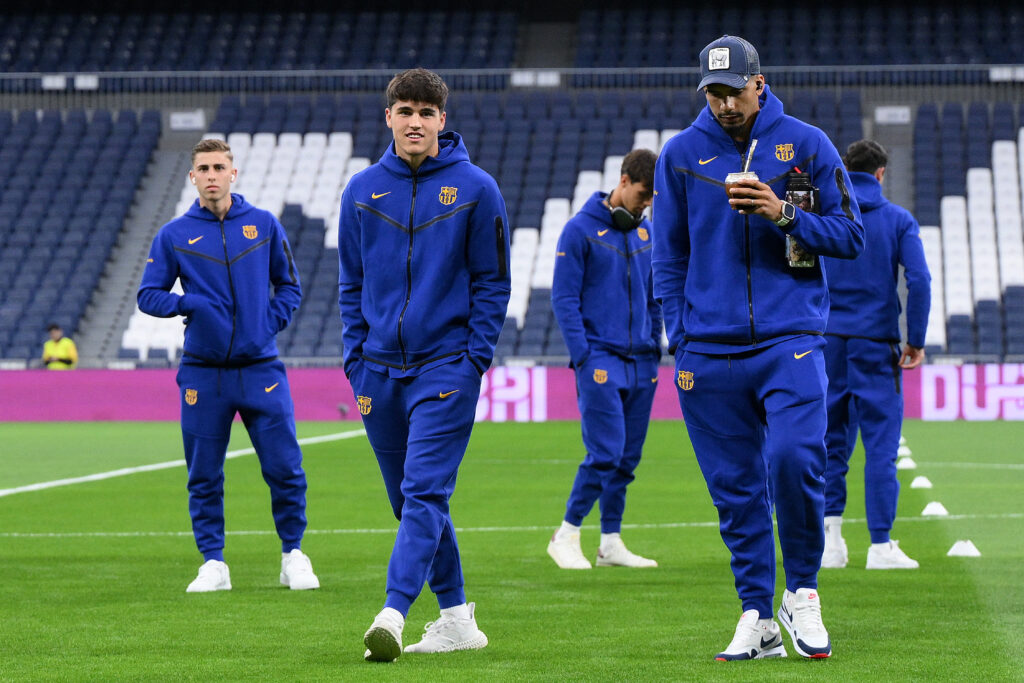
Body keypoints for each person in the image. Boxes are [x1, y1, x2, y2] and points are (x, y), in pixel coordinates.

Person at [652, 35, 865, 660]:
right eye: (712, 94)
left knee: (798, 458)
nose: (722, 105)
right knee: (735, 489)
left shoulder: (805, 145)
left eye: (732, 91)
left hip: (790, 337)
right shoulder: (681, 155)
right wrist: (681, 338)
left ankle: (802, 594)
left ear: (760, 82)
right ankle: (756, 615)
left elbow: (851, 236)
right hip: (706, 351)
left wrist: (784, 213)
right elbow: (669, 256)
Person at [337, 68, 510, 662]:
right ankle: (458, 617)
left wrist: (473, 362)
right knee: (408, 501)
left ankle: (392, 611)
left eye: (426, 112)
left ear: (442, 119)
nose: (415, 122)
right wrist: (355, 362)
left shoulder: (477, 188)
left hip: (445, 369)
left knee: (424, 492)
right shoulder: (360, 191)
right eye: (405, 111)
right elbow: (350, 284)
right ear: (388, 117)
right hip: (377, 373)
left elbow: (493, 282)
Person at [137, 138, 319, 593]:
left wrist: (266, 323)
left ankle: (293, 553)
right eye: (204, 168)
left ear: (233, 174)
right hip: (203, 373)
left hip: (261, 368)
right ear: (193, 177)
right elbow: (148, 295)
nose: (212, 174)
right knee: (203, 473)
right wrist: (187, 303)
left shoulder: (263, 224)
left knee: (285, 468)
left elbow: (289, 286)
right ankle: (213, 562)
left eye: (220, 166)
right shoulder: (174, 235)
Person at [546, 149, 662, 570]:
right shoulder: (579, 231)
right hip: (600, 360)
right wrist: (583, 357)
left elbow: (654, 298)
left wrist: (655, 341)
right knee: (605, 452)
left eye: (652, 198)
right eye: (643, 194)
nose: (646, 203)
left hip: (642, 362)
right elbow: (564, 299)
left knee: (627, 460)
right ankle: (567, 533)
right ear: (624, 180)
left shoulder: (646, 234)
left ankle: (610, 541)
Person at [820, 139, 931, 570]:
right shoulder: (898, 220)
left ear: (845, 171)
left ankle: (832, 544)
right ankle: (880, 546)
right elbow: (918, 280)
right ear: (881, 173)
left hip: (827, 343)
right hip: (875, 345)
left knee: (830, 446)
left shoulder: (826, 219)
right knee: (881, 447)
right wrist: (915, 340)